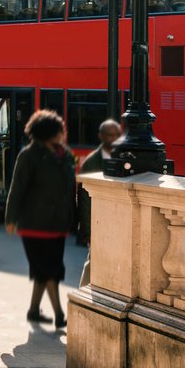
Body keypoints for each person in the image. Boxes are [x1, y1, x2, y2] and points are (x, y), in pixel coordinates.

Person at [4, 109, 76, 330]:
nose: (62, 133)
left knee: (42, 271)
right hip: (35, 224)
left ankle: (34, 311)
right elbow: (17, 188)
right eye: (58, 130)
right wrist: (10, 218)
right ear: (47, 132)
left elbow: (70, 188)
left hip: (57, 224)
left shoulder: (64, 155)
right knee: (50, 270)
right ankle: (59, 314)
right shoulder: (28, 156)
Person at [77, 119, 122, 284]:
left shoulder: (123, 158)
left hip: (117, 223)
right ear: (101, 136)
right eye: (110, 135)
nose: (115, 138)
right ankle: (81, 295)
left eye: (117, 135)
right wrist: (88, 232)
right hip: (98, 224)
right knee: (94, 262)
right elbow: (83, 198)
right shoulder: (91, 162)